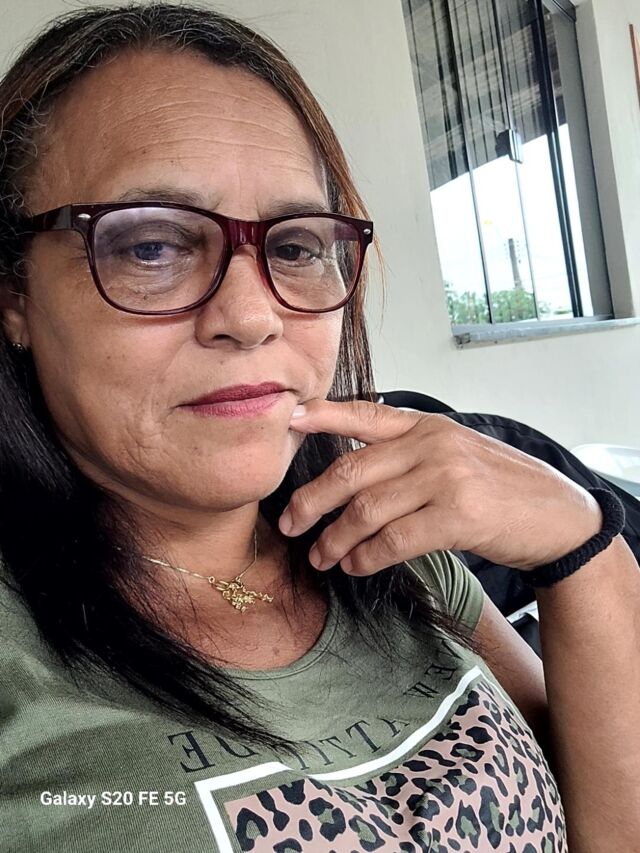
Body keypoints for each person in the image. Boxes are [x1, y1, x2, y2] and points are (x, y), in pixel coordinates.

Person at [0, 4, 638, 852]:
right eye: (150, 245)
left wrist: (583, 543)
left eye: (295, 246)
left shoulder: (387, 545)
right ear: (15, 295)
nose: (250, 315)